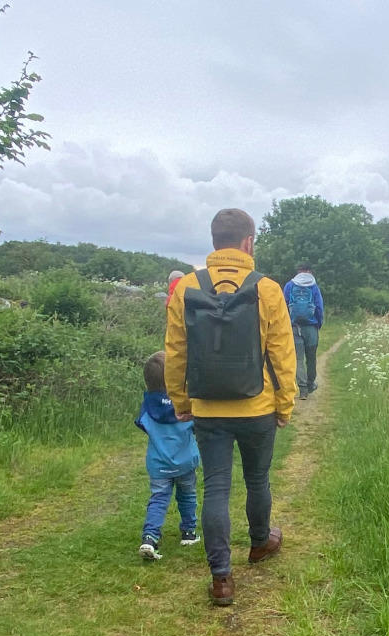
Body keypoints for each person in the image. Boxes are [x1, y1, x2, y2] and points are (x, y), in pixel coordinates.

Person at [165, 208, 298, 606]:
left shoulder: (186, 288)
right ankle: (260, 543)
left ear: (214, 241)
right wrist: (285, 404)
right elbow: (282, 353)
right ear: (248, 242)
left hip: (208, 408)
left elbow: (176, 352)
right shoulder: (267, 288)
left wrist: (181, 400)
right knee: (257, 479)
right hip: (257, 405)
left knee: (216, 488)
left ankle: (221, 578)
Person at [135, 351, 200, 561]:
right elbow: (196, 426)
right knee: (188, 495)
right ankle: (189, 533)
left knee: (158, 499)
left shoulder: (148, 408)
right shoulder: (186, 404)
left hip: (158, 465)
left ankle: (149, 537)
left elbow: (143, 424)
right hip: (185, 462)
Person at [283, 264, 325, 399]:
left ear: (298, 272)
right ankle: (311, 383)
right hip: (311, 327)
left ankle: (302, 390)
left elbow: (283, 306)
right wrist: (318, 324)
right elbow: (319, 307)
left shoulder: (290, 285)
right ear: (309, 271)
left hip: (294, 327)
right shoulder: (314, 286)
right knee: (311, 357)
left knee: (298, 359)